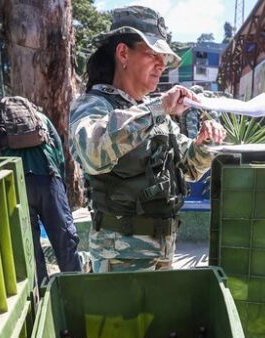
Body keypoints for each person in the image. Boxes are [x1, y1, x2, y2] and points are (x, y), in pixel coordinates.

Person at [69, 6, 226, 272]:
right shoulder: (94, 105)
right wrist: (158, 108)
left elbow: (188, 168)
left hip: (163, 251)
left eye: (163, 57)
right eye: (153, 54)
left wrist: (204, 145)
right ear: (123, 54)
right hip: (119, 257)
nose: (161, 64)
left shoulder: (155, 113)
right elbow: (92, 152)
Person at [0, 97, 81, 285]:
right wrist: (60, 188)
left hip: (14, 186)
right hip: (48, 179)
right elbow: (59, 152)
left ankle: (40, 298)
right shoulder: (41, 119)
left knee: (29, 249)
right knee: (65, 241)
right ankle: (78, 289)